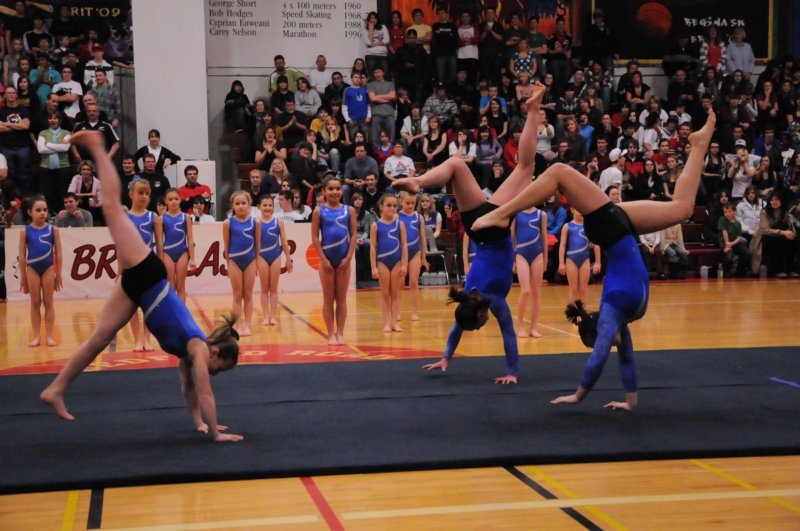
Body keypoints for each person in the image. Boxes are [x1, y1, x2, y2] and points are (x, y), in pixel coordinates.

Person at [471, 108, 717, 408]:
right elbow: (624, 356)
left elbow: (600, 357)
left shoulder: (614, 310)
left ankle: (500, 213)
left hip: (612, 227)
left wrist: (579, 396)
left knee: (558, 172)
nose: (609, 344)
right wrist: (630, 401)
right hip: (619, 227)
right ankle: (699, 146)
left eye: (601, 340)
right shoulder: (620, 318)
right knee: (682, 209)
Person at [39, 131, 242, 442]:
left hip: (141, 291)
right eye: (219, 368)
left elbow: (189, 390)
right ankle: (96, 146)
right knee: (111, 210)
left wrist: (201, 423)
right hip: (150, 275)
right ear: (215, 352)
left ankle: (56, 389)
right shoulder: (199, 348)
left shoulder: (189, 353)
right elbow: (205, 393)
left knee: (98, 340)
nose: (214, 373)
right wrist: (216, 434)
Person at [392, 82, 549, 384]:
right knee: (455, 164)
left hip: (493, 227)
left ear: (479, 314)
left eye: (478, 325)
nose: (482, 325)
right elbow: (457, 328)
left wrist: (512, 373)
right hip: (477, 224)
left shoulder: (494, 302)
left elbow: (508, 335)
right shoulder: (466, 296)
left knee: (526, 167)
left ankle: (532, 111)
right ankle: (419, 182)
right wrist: (445, 356)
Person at [311, 176, 356, 344]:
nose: (334, 192)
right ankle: (330, 333)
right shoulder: (319, 211)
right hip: (327, 261)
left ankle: (340, 332)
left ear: (342, 191)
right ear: (324, 191)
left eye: (337, 188)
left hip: (344, 260)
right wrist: (323, 260)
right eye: (330, 189)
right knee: (328, 298)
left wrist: (349, 258)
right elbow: (315, 237)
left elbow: (353, 235)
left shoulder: (349, 210)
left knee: (342, 299)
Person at [19, 195, 62, 347]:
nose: (42, 213)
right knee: (35, 302)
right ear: (30, 212)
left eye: (45, 210)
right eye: (38, 210)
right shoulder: (25, 231)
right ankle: (37, 336)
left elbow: (59, 253)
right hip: (32, 269)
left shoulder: (53, 230)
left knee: (48, 302)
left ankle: (49, 335)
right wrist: (23, 277)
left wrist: (59, 274)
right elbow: (22, 256)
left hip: (48, 267)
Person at [370, 193, 408, 332]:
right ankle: (386, 323)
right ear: (381, 207)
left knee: (395, 294)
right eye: (389, 205)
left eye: (394, 206)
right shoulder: (376, 225)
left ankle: (394, 323)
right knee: (385, 294)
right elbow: (373, 247)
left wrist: (404, 264)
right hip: (382, 261)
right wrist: (373, 267)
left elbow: (404, 245)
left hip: (396, 261)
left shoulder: (400, 224)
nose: (392, 208)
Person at [223, 191, 257, 337]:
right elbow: (226, 245)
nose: (241, 206)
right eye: (237, 204)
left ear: (249, 204)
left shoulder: (255, 222)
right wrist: (228, 263)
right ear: (233, 206)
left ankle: (247, 325)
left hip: (251, 260)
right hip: (234, 260)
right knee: (237, 295)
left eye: (243, 203)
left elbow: (258, 244)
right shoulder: (228, 223)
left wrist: (256, 262)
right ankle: (237, 325)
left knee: (248, 294)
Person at [256, 194, 292, 326]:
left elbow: (284, 241)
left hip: (276, 255)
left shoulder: (278, 222)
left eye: (270, 205)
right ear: (259, 207)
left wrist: (288, 258)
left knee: (273, 288)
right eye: (264, 205)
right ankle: (266, 316)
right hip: (261, 256)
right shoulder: (257, 223)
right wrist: (254, 260)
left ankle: (273, 316)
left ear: (273, 207)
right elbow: (255, 243)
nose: (267, 208)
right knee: (264, 288)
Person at [155, 188, 195, 302]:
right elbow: (159, 241)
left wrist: (192, 258)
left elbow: (190, 239)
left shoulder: (186, 217)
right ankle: (172, 311)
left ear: (180, 200)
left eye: (176, 199)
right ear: (165, 201)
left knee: (181, 286)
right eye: (170, 199)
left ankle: (181, 312)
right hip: (167, 253)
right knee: (171, 286)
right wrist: (160, 258)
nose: (173, 201)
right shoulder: (161, 219)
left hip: (182, 252)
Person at [512, 206, 547, 338]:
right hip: (521, 254)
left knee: (536, 291)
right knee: (525, 290)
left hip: (537, 254)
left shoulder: (541, 214)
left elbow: (544, 237)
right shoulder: (516, 214)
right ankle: (520, 326)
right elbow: (512, 237)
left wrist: (545, 258)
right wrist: (512, 259)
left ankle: (533, 328)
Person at [559, 208, 602, 304]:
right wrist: (561, 263)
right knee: (573, 289)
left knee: (583, 289)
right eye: (578, 209)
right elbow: (563, 245)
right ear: (572, 210)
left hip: (585, 260)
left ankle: (582, 312)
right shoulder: (567, 226)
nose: (581, 212)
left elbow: (596, 244)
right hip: (571, 260)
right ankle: (573, 311)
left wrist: (598, 262)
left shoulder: (589, 226)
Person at [397, 191, 428, 321]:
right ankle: (396, 312)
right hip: (400, 253)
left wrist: (423, 257)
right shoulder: (396, 217)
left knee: (414, 283)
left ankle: (414, 312)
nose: (410, 206)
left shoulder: (419, 217)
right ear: (401, 202)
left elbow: (422, 238)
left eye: (413, 203)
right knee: (399, 284)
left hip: (415, 252)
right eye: (407, 203)